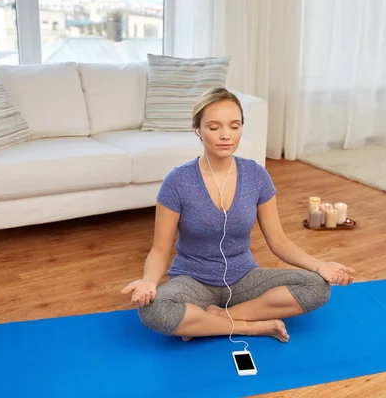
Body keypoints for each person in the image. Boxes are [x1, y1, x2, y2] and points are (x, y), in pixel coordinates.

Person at [121, 88, 356, 343]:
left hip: (244, 278)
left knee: (317, 287)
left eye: (234, 126)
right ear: (198, 130)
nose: (225, 135)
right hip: (192, 280)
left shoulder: (256, 176)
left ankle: (215, 319)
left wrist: (319, 265)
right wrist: (148, 281)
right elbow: (159, 250)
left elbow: (278, 241)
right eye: (214, 127)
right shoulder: (177, 181)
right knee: (153, 310)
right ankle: (250, 327)